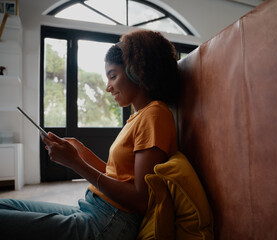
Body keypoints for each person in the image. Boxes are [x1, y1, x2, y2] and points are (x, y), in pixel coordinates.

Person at [0, 29, 179, 240]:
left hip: (109, 224)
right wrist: (82, 152)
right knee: (5, 204)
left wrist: (76, 164)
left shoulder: (155, 115)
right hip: (96, 210)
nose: (107, 87)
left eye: (113, 76)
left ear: (136, 72)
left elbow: (140, 200)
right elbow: (118, 177)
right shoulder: (139, 116)